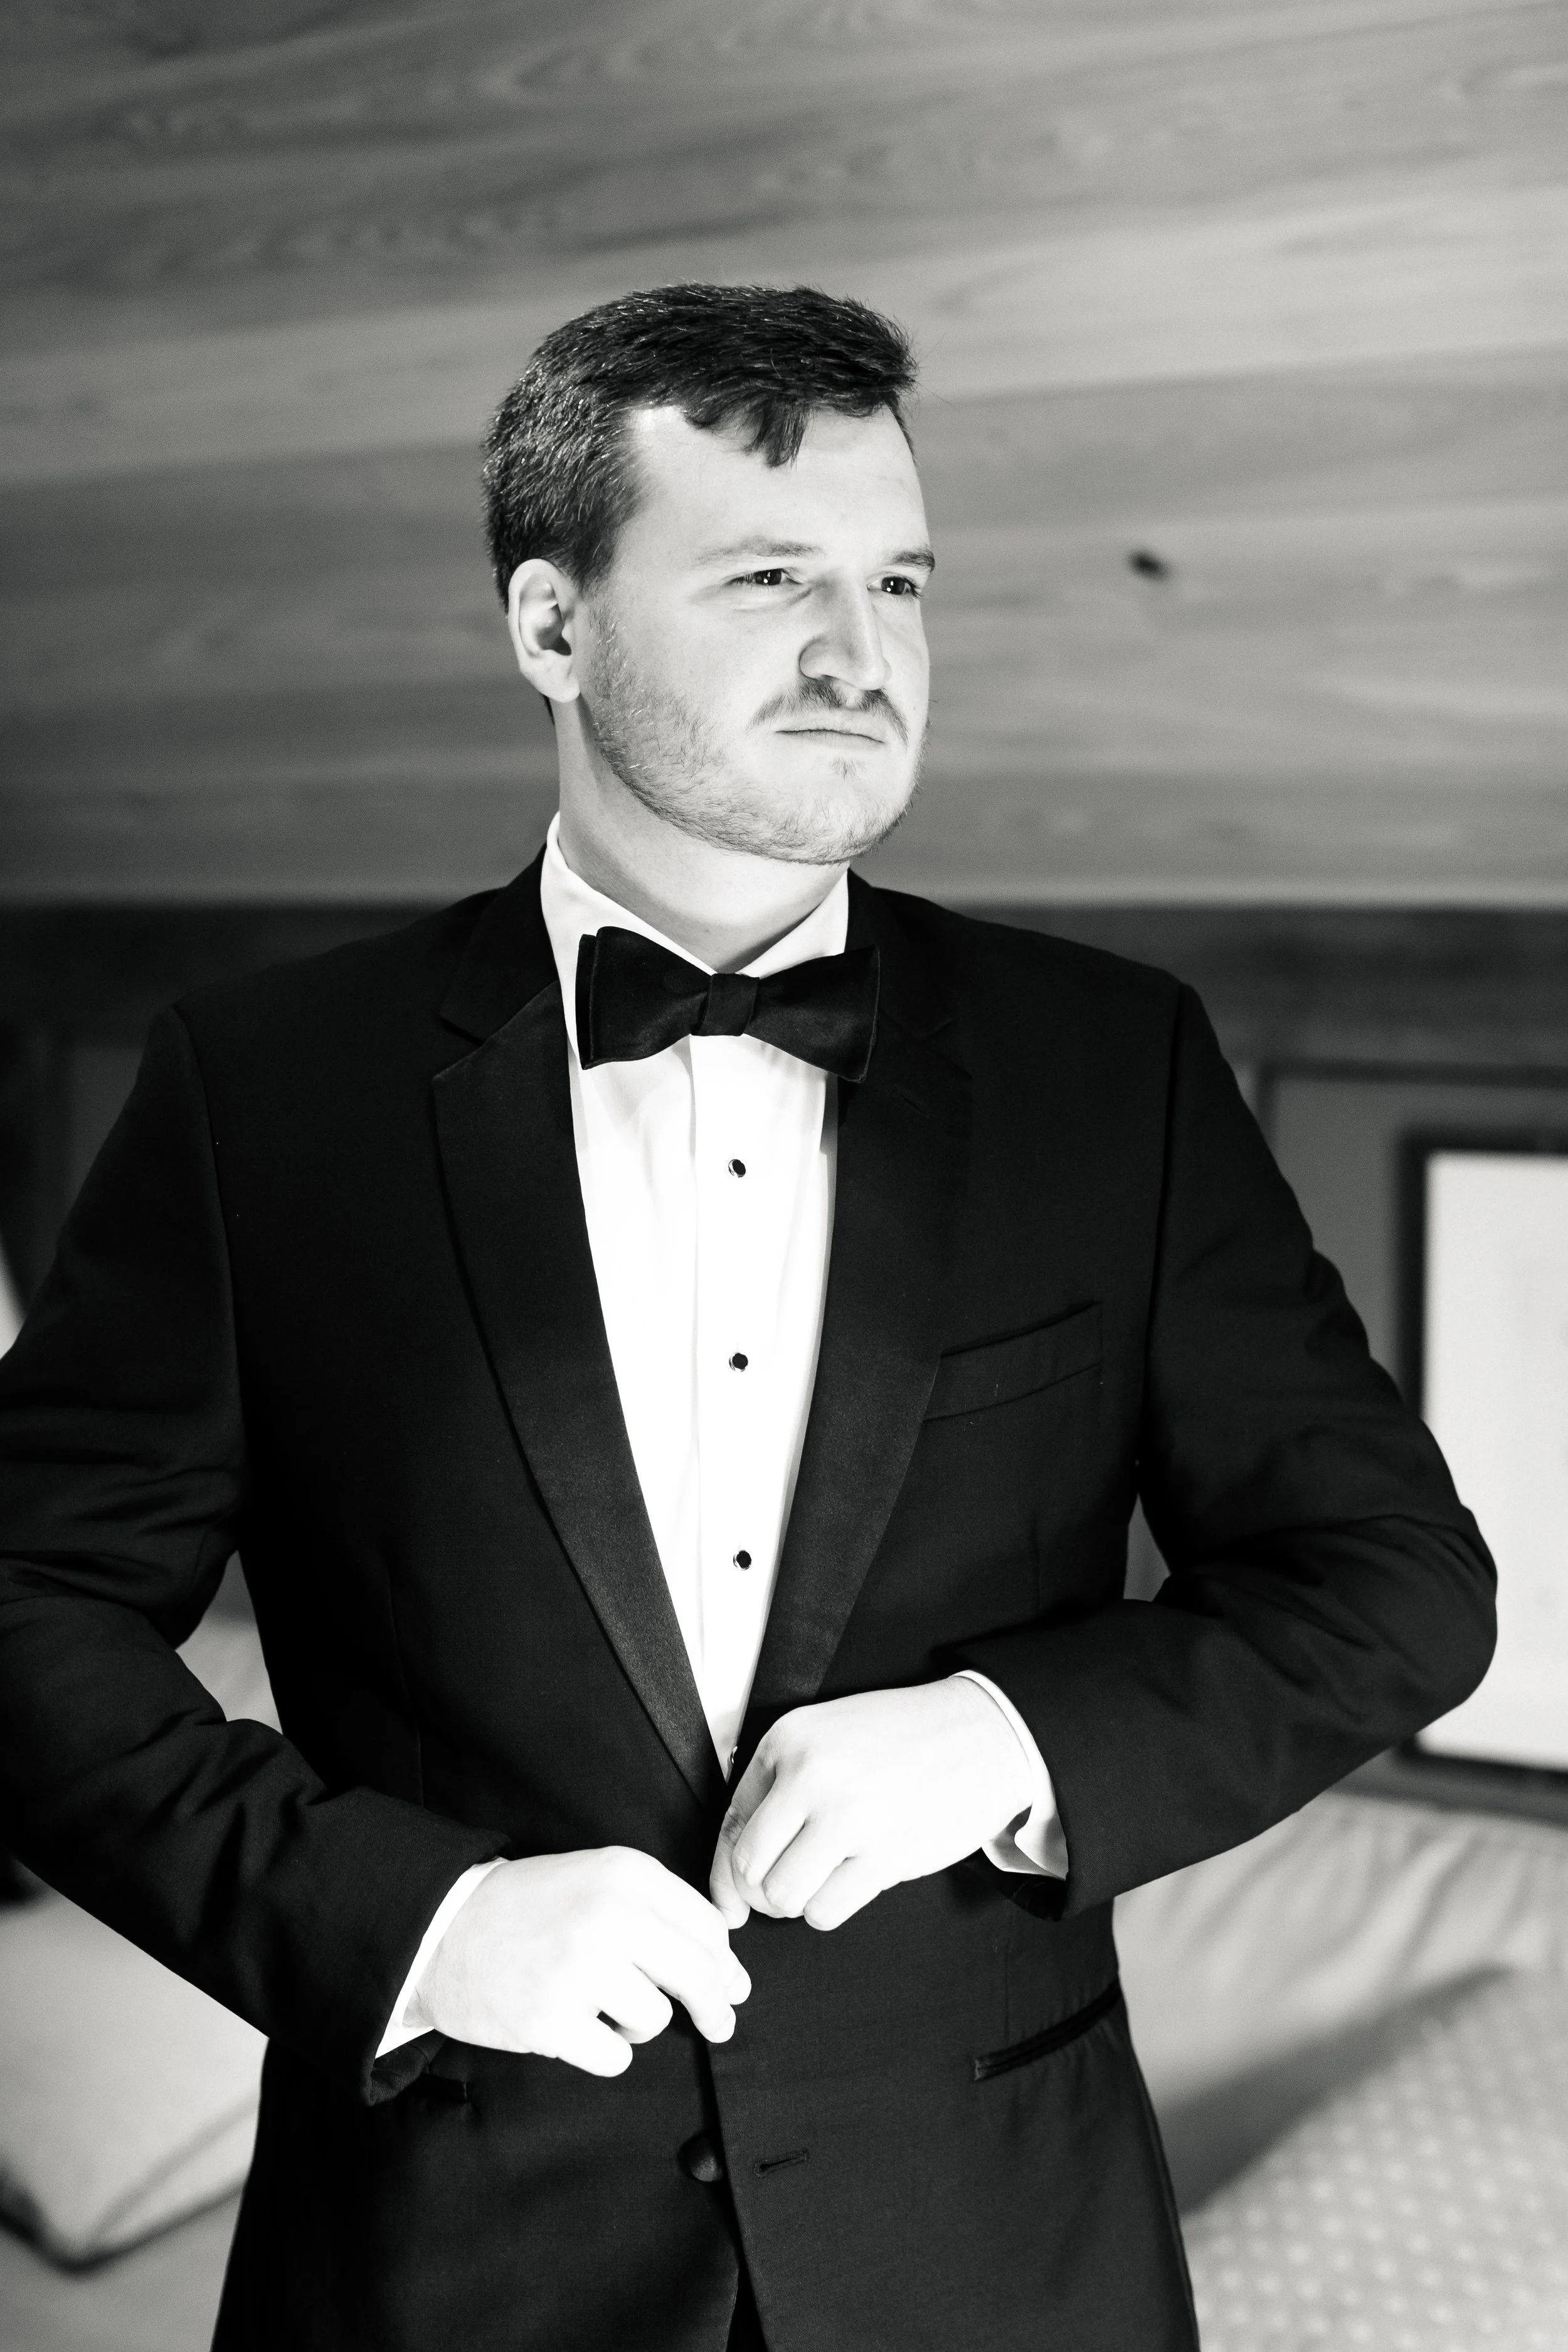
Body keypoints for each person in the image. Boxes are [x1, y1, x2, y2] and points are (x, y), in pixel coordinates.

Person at [0, 284, 1493, 2352]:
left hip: (997, 2269)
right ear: (549, 626)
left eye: (897, 580)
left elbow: (1400, 1584)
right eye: (770, 576)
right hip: (445, 2275)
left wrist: (1005, 1738)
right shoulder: (263, 1094)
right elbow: (23, 1608)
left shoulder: (1112, 1067)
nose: (859, 656)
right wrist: (408, 1918)